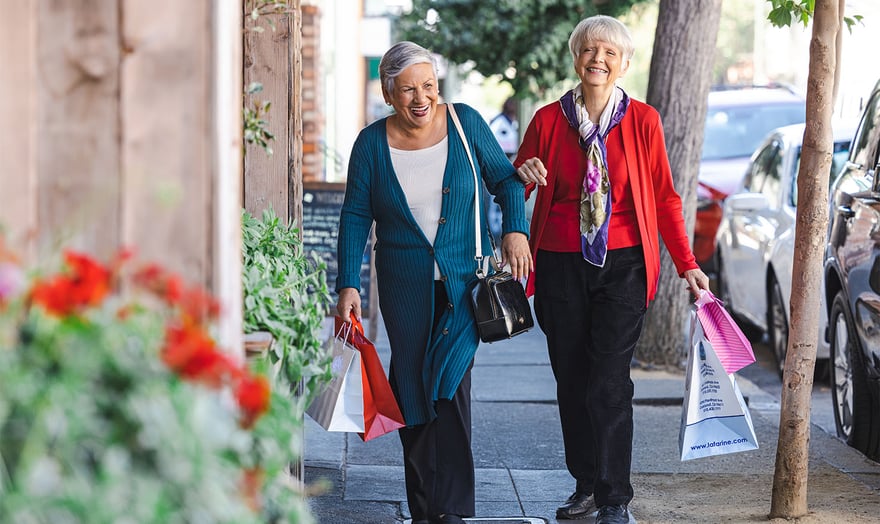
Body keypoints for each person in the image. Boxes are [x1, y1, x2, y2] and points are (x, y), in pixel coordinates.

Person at [513, 15, 710, 524]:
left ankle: (615, 497)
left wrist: (687, 264)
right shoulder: (547, 120)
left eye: (609, 53)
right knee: (572, 380)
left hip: (624, 263)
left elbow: (665, 198)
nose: (597, 59)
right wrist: (522, 175)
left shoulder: (643, 120)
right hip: (559, 261)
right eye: (588, 50)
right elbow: (515, 188)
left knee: (608, 381)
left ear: (623, 63)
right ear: (576, 58)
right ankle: (585, 483)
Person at [335, 41, 533, 524]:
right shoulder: (370, 144)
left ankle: (450, 509)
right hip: (404, 287)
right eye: (408, 90)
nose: (421, 97)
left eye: (429, 86)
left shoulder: (464, 123)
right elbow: (356, 216)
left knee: (449, 382)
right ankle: (425, 507)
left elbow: (506, 181)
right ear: (388, 93)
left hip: (467, 284)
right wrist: (347, 284)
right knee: (412, 386)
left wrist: (515, 230)